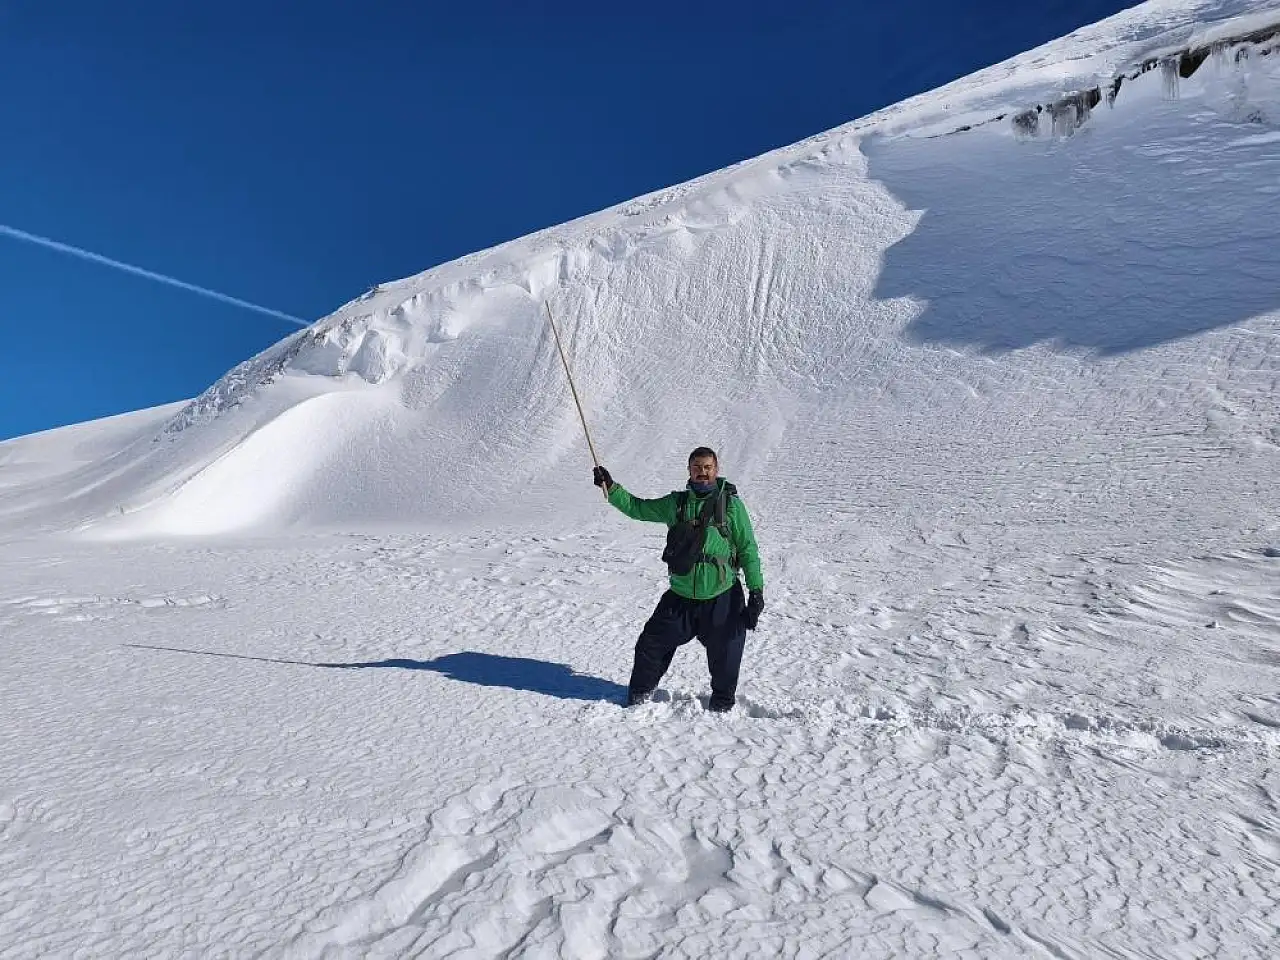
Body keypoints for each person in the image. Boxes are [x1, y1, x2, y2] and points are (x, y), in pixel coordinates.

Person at [592, 447, 765, 712]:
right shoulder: (678, 504)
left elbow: (748, 549)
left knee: (727, 654)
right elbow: (638, 508)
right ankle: (638, 700)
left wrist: (756, 592)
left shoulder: (730, 506)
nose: (702, 472)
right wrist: (611, 487)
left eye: (707, 467)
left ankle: (722, 707)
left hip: (721, 596)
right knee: (651, 644)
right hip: (681, 597)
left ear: (716, 470)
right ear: (689, 470)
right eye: (697, 467)